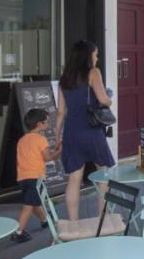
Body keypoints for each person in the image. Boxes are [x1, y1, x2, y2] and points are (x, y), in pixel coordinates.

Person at [57, 40, 114, 221]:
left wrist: (57, 137)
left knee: (74, 179)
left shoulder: (64, 79)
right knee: (102, 174)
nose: (97, 58)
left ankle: (73, 223)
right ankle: (102, 219)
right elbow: (103, 99)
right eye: (95, 54)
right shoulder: (93, 73)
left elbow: (60, 112)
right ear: (88, 56)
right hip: (91, 129)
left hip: (72, 131)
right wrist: (109, 99)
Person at [12, 108, 60, 243]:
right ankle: (18, 232)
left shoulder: (22, 140)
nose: (48, 124)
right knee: (28, 205)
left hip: (22, 177)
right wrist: (59, 151)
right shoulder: (41, 139)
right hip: (36, 177)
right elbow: (47, 158)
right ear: (39, 124)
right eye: (46, 122)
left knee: (32, 202)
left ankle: (44, 220)